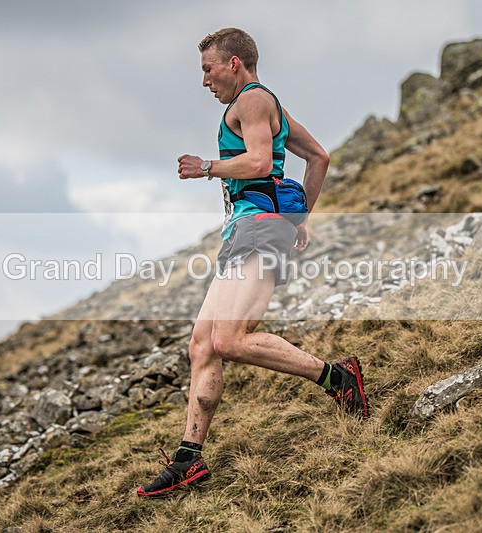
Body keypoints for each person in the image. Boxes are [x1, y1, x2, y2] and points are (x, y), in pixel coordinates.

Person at [137, 28, 368, 498]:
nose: (204, 80)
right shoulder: (266, 106)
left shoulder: (254, 100)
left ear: (234, 64)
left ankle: (339, 378)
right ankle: (188, 460)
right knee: (203, 345)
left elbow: (261, 163)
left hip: (260, 228)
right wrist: (299, 218)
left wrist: (207, 167)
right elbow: (318, 157)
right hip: (250, 229)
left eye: (208, 69)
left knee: (229, 338)